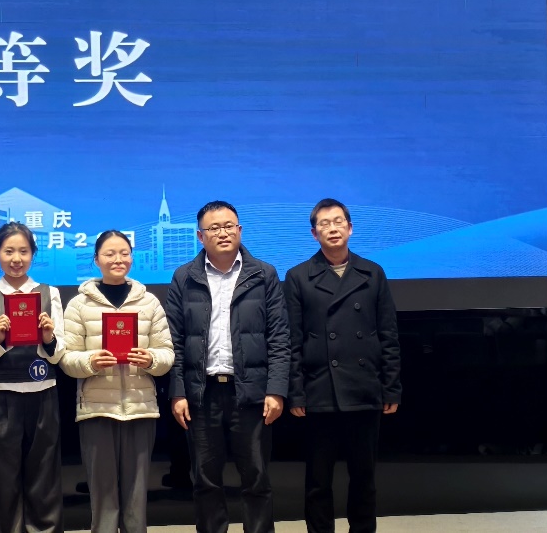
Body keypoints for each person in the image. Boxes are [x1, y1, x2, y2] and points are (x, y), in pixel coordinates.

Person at [165, 200, 289, 533]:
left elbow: (279, 337)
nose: (223, 233)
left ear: (240, 230)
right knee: (205, 481)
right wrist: (178, 392)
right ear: (200, 236)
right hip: (202, 394)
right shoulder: (184, 277)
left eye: (229, 226)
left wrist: (276, 390)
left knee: (257, 479)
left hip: (251, 393)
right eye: (214, 228)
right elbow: (174, 341)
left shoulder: (264, 274)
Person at [285, 198, 401, 533]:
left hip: (364, 389)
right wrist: (296, 393)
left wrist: (391, 387)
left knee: (363, 477)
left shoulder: (373, 273)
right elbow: (292, 340)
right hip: (319, 390)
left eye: (338, 222)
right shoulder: (298, 277)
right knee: (318, 480)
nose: (332, 228)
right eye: (324, 223)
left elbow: (388, 335)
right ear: (314, 233)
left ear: (350, 228)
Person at [60, 231, 174, 533]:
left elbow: (167, 353)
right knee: (103, 498)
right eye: (109, 254)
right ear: (96, 259)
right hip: (96, 410)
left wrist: (150, 359)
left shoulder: (149, 302)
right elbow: (66, 358)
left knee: (136, 498)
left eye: (124, 253)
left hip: (141, 408)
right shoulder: (79, 304)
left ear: (132, 257)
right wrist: (90, 362)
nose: (117, 259)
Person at [0, 222, 66, 533]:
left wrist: (49, 337)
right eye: (8, 251)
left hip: (43, 394)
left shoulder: (49, 294)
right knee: (2, 479)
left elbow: (59, 354)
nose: (16, 259)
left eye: (23, 251)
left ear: (33, 254)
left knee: (44, 477)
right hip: (1, 396)